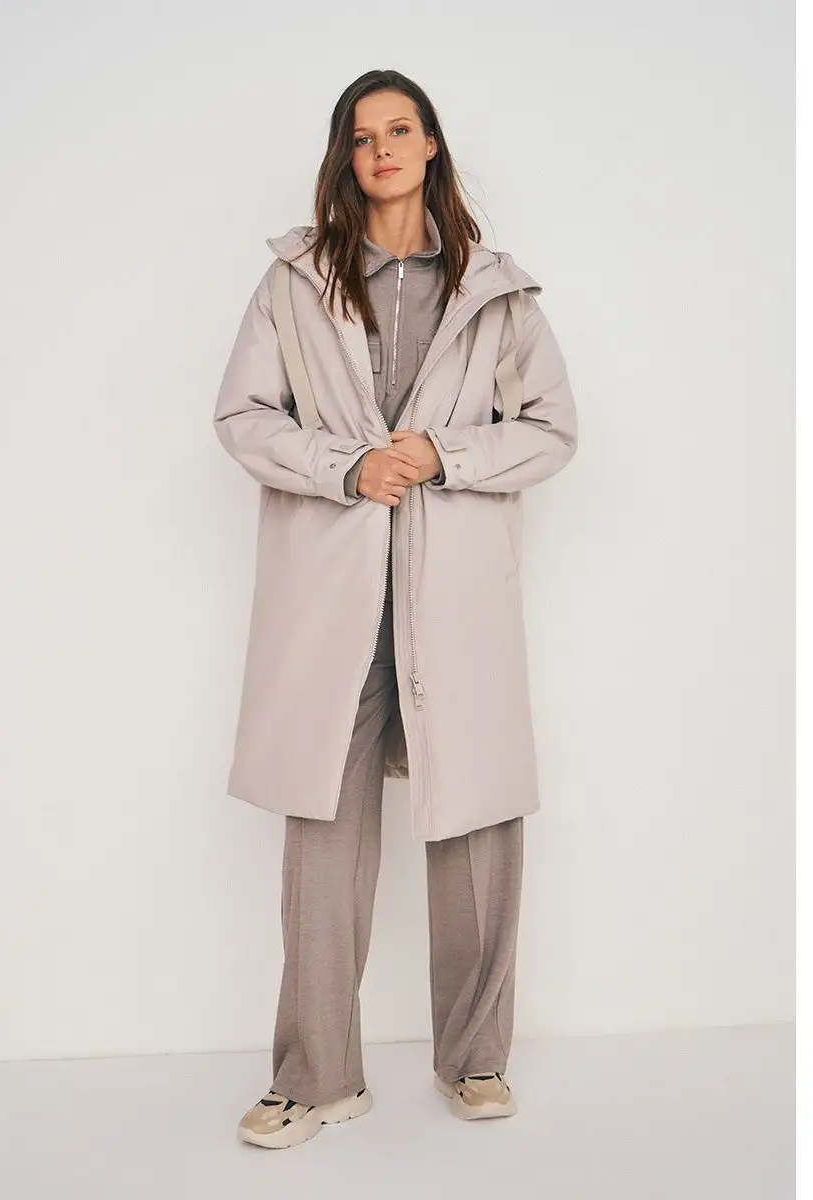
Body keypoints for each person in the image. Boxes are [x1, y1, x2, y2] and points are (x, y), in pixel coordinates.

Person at [213, 69, 579, 1150]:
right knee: (322, 839)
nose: (381, 148)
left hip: (453, 595)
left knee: (477, 825)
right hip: (331, 598)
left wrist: (444, 456)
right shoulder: (295, 282)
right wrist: (346, 466)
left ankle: (476, 1061)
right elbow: (242, 415)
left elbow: (552, 430)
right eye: (362, 135)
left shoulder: (497, 292)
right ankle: (317, 1076)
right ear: (346, 156)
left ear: (430, 147)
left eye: (400, 129)